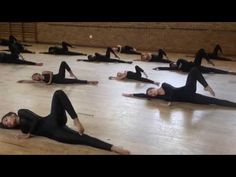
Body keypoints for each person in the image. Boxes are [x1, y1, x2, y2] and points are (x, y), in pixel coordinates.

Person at [0, 90, 130, 155]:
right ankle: (114, 148)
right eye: (5, 124)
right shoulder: (20, 127)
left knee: (58, 93)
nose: (7, 123)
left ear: (12, 114)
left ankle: (76, 120)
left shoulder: (21, 112)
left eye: (6, 119)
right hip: (55, 134)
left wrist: (28, 134)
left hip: (52, 119)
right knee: (83, 139)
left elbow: (36, 120)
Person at [123, 67, 236, 108]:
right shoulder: (160, 98)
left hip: (187, 89)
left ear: (153, 88)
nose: (152, 94)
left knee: (194, 70)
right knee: (214, 102)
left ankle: (205, 86)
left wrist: (169, 102)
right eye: (151, 95)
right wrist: (130, 95)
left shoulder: (164, 85)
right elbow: (143, 95)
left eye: (151, 91)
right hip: (191, 98)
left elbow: (173, 92)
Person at [155, 49, 236, 74]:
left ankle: (208, 60)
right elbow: (166, 68)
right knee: (212, 70)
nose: (172, 65)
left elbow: (185, 62)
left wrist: (179, 67)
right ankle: (229, 72)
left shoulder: (179, 61)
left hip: (194, 64)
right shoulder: (175, 69)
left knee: (201, 51)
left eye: (172, 64)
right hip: (196, 69)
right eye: (171, 66)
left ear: (174, 62)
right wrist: (158, 67)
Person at [17, 61, 98, 85]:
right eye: (35, 79)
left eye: (35, 77)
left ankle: (71, 73)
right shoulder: (41, 81)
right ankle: (89, 82)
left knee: (63, 63)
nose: (36, 79)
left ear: (37, 74)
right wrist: (23, 81)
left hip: (59, 75)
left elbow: (51, 73)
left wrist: (49, 81)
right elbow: (31, 82)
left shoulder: (44, 72)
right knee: (73, 81)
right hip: (60, 81)